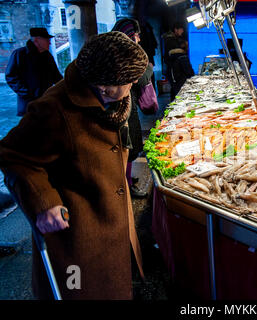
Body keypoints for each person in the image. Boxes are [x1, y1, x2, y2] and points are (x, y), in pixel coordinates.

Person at [0, 31, 149, 299]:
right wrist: (44, 202)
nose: (136, 81)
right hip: (80, 234)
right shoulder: (54, 109)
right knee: (81, 290)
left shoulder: (114, 100)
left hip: (113, 219)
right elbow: (12, 155)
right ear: (104, 85)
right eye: (129, 79)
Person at [112, 18, 153, 198]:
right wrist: (148, 68)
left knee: (129, 146)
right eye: (136, 35)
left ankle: (126, 182)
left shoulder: (117, 51)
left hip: (125, 106)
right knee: (127, 147)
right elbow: (141, 78)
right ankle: (126, 186)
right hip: (122, 110)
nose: (139, 39)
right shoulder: (125, 53)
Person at [5, 27, 62, 116]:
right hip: (28, 103)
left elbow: (56, 76)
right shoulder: (20, 54)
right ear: (36, 40)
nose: (50, 43)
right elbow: (11, 77)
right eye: (47, 40)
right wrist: (26, 93)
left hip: (46, 101)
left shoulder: (47, 56)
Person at [163, 22, 189, 100]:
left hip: (176, 70)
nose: (182, 31)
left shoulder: (177, 39)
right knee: (176, 91)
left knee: (176, 90)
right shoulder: (170, 40)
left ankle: (173, 106)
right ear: (176, 30)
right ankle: (174, 108)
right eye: (181, 29)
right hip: (173, 70)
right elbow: (175, 54)